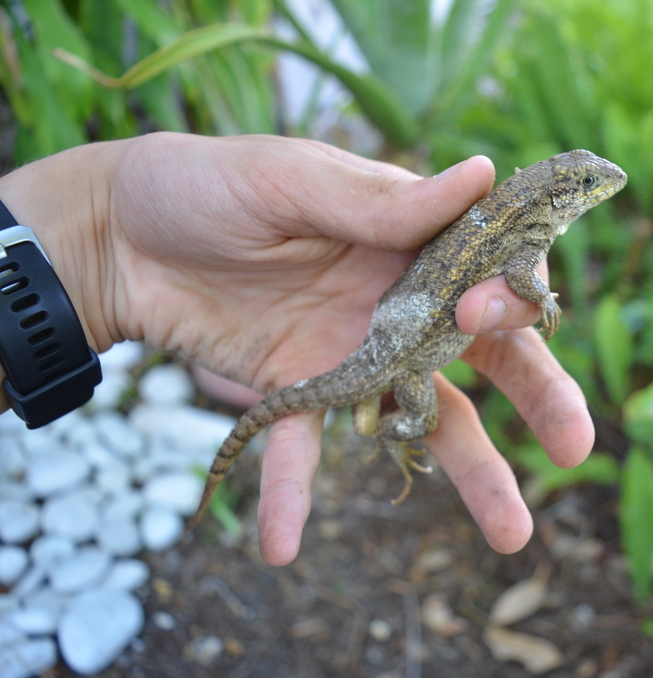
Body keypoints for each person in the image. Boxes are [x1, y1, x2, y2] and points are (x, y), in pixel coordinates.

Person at [0, 132, 594, 566]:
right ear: (555, 199)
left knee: (420, 392)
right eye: (587, 184)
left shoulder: (511, 221)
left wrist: (100, 238)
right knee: (423, 416)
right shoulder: (521, 237)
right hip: (404, 352)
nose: (601, 187)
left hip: (395, 330)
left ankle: (385, 428)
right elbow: (522, 278)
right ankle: (391, 435)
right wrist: (539, 296)